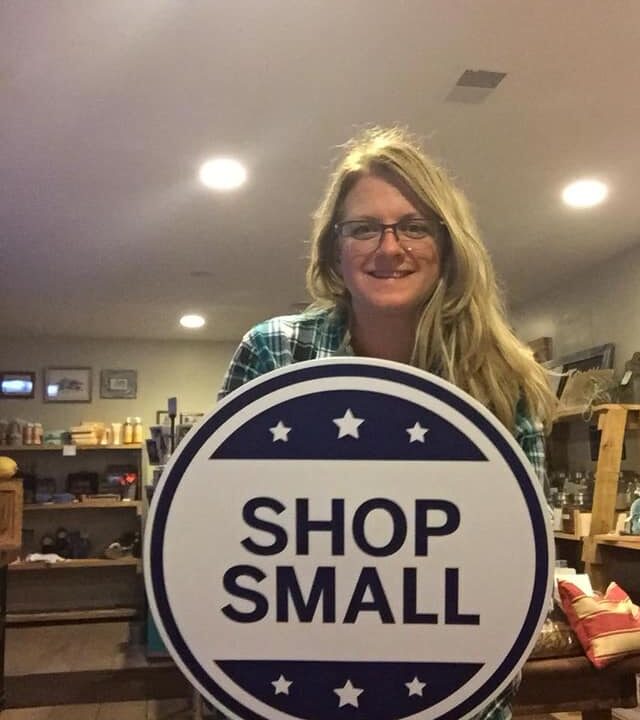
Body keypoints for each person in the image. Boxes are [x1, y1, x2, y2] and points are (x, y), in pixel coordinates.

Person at [218, 126, 556, 720]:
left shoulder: (500, 375)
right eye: (364, 228)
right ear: (333, 248)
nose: (390, 247)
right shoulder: (275, 352)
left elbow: (520, 559)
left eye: (415, 226)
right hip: (293, 688)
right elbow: (218, 535)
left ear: (447, 245)